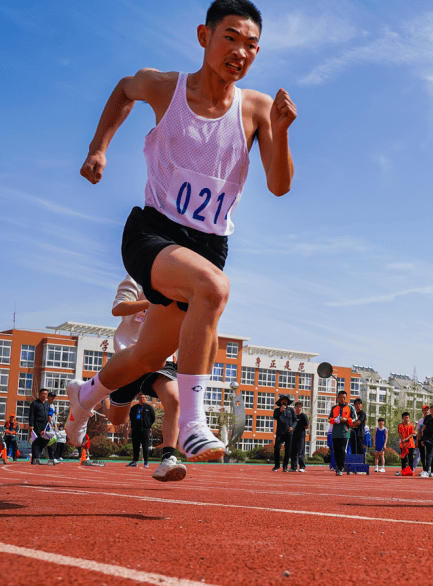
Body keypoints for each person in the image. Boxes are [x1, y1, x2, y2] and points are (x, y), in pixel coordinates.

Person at [65, 0, 295, 467]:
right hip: (153, 232)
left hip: (209, 244)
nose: (240, 51)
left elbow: (279, 185)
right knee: (213, 288)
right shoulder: (164, 87)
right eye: (230, 37)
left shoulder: (256, 108)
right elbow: (123, 91)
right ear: (203, 36)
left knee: (146, 357)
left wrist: (282, 131)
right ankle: (191, 423)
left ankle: (84, 397)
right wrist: (98, 149)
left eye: (251, 45)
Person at [98, 274, 187, 481]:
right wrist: (152, 303)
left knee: (174, 398)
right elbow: (117, 309)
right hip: (130, 355)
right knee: (117, 420)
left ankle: (167, 460)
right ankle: (103, 395)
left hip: (160, 358)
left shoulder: (177, 283)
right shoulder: (136, 278)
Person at [327, 390, 353, 476]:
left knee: (342, 450)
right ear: (337, 398)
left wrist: (347, 420)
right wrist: (334, 420)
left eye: (344, 397)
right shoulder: (334, 407)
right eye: (341, 397)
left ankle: (341, 467)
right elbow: (329, 419)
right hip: (335, 432)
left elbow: (354, 419)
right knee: (336, 450)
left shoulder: (350, 407)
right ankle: (337, 466)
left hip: (345, 432)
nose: (343, 399)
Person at [128, 394, 156, 468]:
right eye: (141, 397)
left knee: (145, 447)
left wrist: (148, 425)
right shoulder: (134, 408)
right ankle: (134, 462)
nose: (142, 399)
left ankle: (146, 462)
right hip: (135, 430)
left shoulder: (149, 408)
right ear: (138, 398)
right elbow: (131, 417)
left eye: (144, 398)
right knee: (135, 446)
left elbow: (153, 418)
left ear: (146, 399)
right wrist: (134, 425)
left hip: (145, 430)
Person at [30, 389, 54, 465]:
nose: (44, 395)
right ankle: (36, 458)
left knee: (45, 440)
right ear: (39, 394)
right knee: (37, 441)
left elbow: (49, 413)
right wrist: (31, 425)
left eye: (46, 394)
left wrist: (49, 417)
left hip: (45, 425)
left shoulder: (47, 404)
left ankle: (35, 457)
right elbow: (31, 415)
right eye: (43, 393)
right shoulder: (34, 403)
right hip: (37, 424)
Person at [272, 394, 295, 471]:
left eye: (285, 400)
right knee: (277, 448)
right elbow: (275, 417)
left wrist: (293, 427)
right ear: (280, 401)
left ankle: (285, 466)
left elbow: (295, 420)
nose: (284, 401)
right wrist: (280, 411)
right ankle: (277, 465)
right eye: (282, 400)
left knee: (288, 450)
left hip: (289, 433)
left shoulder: (291, 410)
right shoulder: (277, 410)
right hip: (280, 432)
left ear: (287, 401)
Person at [286, 400, 308, 472]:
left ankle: (302, 467)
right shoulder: (293, 416)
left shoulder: (303, 416)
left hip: (301, 436)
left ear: (301, 408)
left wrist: (300, 430)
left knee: (301, 452)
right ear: (295, 407)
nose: (299, 408)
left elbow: (306, 426)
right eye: (297, 407)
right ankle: (293, 467)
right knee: (293, 452)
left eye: (300, 407)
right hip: (293, 436)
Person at [418, 405, 433, 478]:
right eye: (432, 410)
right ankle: (432, 471)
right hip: (426, 438)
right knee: (431, 455)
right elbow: (424, 427)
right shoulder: (427, 417)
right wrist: (422, 439)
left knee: (430, 455)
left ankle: (426, 471)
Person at [349, 397, 367, 463]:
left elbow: (358, 422)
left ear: (361, 405)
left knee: (360, 450)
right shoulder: (353, 413)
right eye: (356, 404)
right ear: (354, 405)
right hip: (353, 434)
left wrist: (350, 426)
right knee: (353, 450)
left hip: (359, 434)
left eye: (359, 404)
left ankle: (362, 466)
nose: (358, 405)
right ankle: (355, 466)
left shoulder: (362, 413)